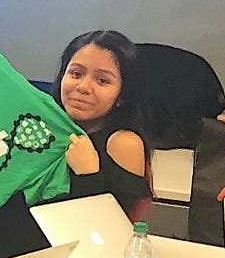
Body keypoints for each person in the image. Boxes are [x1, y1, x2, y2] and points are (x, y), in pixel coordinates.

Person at [51, 30, 152, 215]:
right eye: (76, 73)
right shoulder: (47, 127)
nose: (83, 87)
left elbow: (113, 222)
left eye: (102, 80)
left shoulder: (124, 143)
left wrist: (88, 173)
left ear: (122, 95)